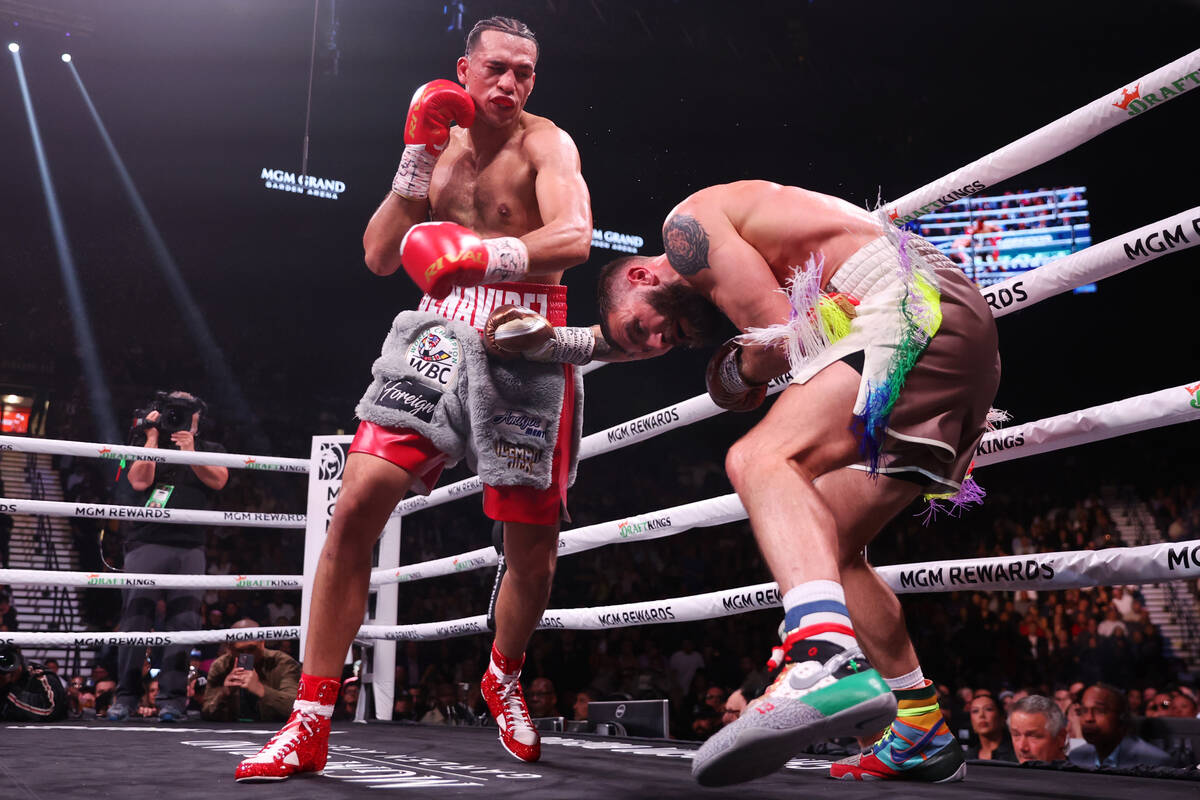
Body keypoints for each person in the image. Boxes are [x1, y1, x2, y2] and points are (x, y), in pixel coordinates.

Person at [237, 16, 595, 781]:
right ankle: (309, 721)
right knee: (357, 504)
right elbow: (376, 253)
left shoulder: (547, 144)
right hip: (437, 330)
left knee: (532, 556)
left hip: (526, 332)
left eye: (525, 73)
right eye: (496, 67)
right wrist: (413, 162)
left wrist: (481, 250)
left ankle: (502, 672)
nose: (510, 84)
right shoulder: (436, 145)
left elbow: (575, 235)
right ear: (461, 69)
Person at [591, 180, 1000, 785]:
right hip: (951, 331)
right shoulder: (746, 251)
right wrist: (738, 369)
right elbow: (793, 338)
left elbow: (788, 338)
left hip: (911, 306)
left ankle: (823, 656)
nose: (656, 343)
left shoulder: (686, 228)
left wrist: (734, 372)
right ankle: (920, 727)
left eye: (638, 328)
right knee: (829, 543)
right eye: (645, 348)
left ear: (641, 278)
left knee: (759, 459)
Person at [108, 391, 227, 722]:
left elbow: (219, 480)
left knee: (184, 623)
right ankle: (127, 697)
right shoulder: (150, 444)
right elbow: (138, 480)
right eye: (172, 411)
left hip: (189, 546)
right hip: (146, 542)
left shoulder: (210, 450)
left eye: (186, 412)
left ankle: (173, 700)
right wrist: (151, 437)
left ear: (197, 419)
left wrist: (190, 450)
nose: (179, 417)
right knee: (135, 620)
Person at [202, 620, 301, 722]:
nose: (246, 656)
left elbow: (297, 709)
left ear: (262, 643)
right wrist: (224, 693)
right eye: (240, 651)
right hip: (231, 731)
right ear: (229, 648)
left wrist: (260, 689)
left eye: (251, 649)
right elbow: (206, 712)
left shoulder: (282, 663)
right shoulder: (220, 666)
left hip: (274, 728)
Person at [1068, 684, 1171, 768]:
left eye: (1099, 711)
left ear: (1122, 718)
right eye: (1084, 710)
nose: (1088, 718)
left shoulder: (1153, 762)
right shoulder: (1076, 757)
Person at [0, 645, 68, 721]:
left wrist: (9, 690)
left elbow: (50, 710)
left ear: (18, 657)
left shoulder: (40, 675)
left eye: (9, 660)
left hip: (46, 731)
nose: (6, 671)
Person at [1008, 695, 1068, 764]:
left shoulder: (1078, 774)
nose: (1022, 747)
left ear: (1061, 738)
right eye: (1016, 735)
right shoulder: (1002, 773)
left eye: (1033, 736)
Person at [965, 695, 1016, 761]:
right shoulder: (967, 758)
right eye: (975, 711)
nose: (981, 715)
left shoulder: (1016, 753)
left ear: (1002, 716)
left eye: (988, 709)